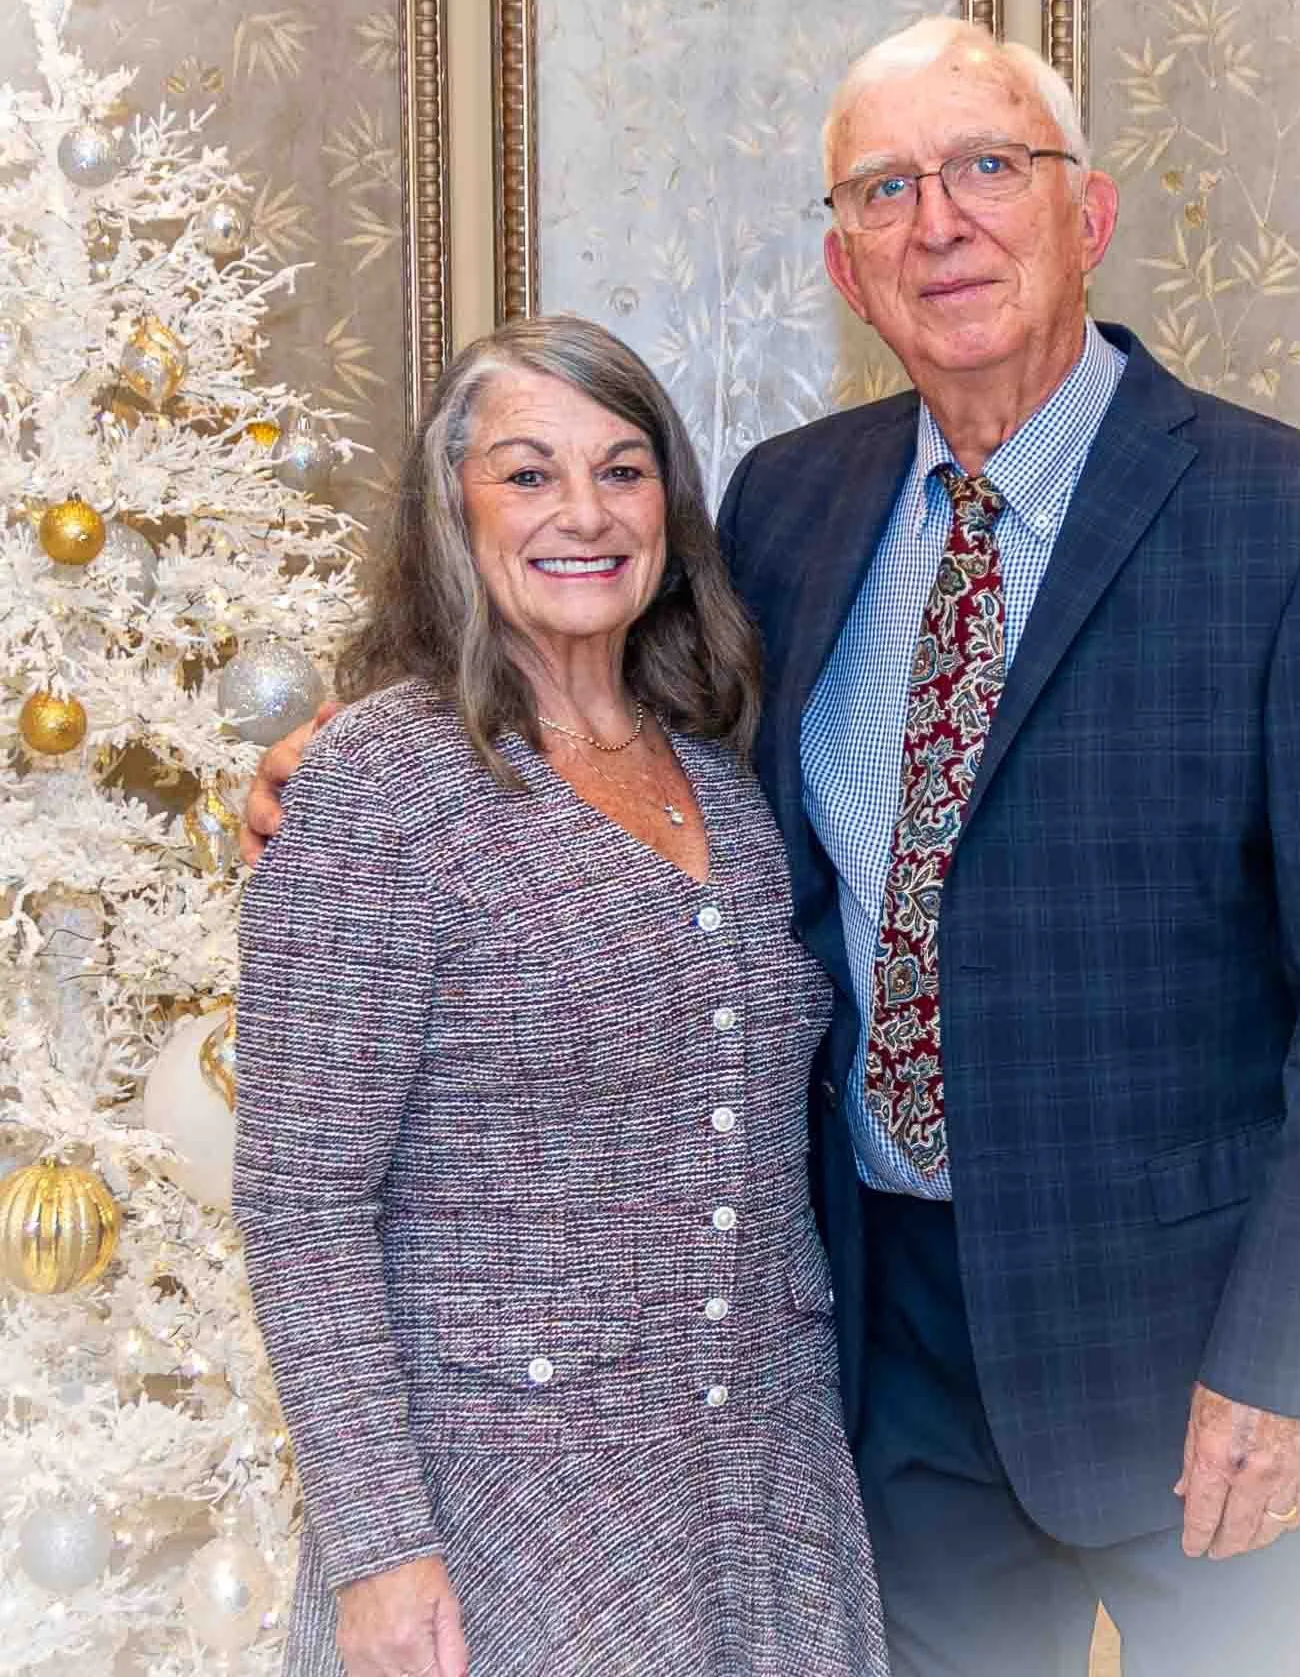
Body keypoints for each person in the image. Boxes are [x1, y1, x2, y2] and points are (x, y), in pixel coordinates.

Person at [245, 21, 1300, 1677]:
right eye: (885, 191)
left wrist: (1285, 1361)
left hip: (1188, 1355)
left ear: (1086, 214)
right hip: (871, 1355)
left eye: (987, 168)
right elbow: (606, 712)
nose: (938, 223)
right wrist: (344, 754)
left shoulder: (1294, 524)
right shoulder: (790, 505)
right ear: (846, 264)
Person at [232, 317, 889, 1677]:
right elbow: (302, 1200)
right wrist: (378, 1550)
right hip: (499, 1518)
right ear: (451, 508)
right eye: (528, 474)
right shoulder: (382, 784)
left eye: (623, 469)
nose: (583, 513)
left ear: (670, 509)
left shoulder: (722, 775)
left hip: (764, 1495)